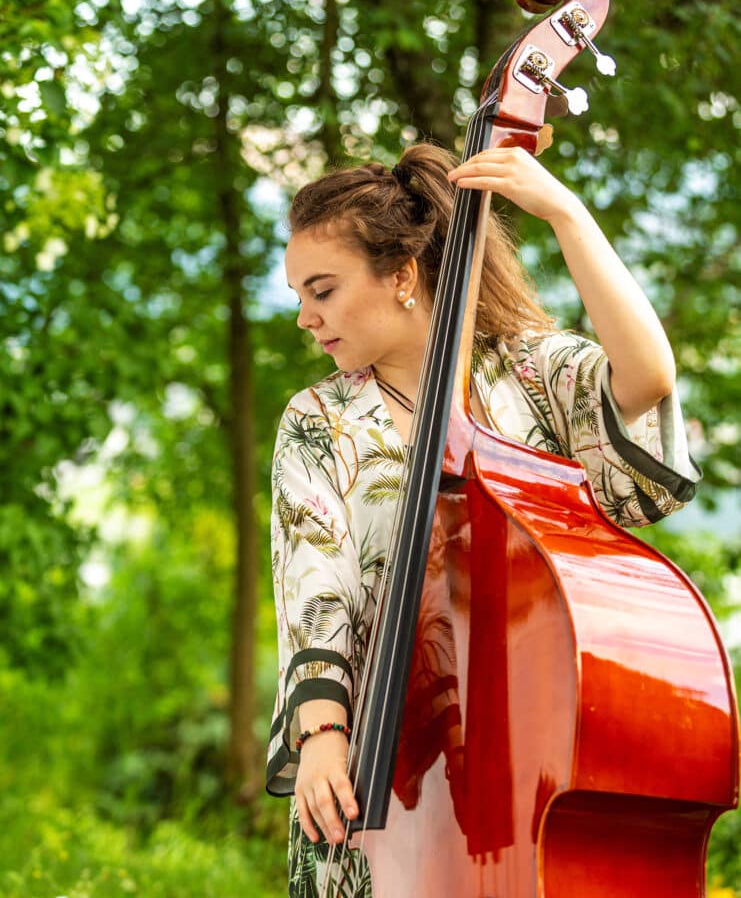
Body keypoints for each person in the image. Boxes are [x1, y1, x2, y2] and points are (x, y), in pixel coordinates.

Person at [265, 143, 699, 896]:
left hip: (527, 755)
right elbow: (316, 591)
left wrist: (565, 213)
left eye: (323, 291)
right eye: (301, 296)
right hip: (380, 771)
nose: (305, 318)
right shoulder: (316, 421)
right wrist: (322, 737)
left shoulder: (529, 375)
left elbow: (645, 377)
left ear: (401, 275)